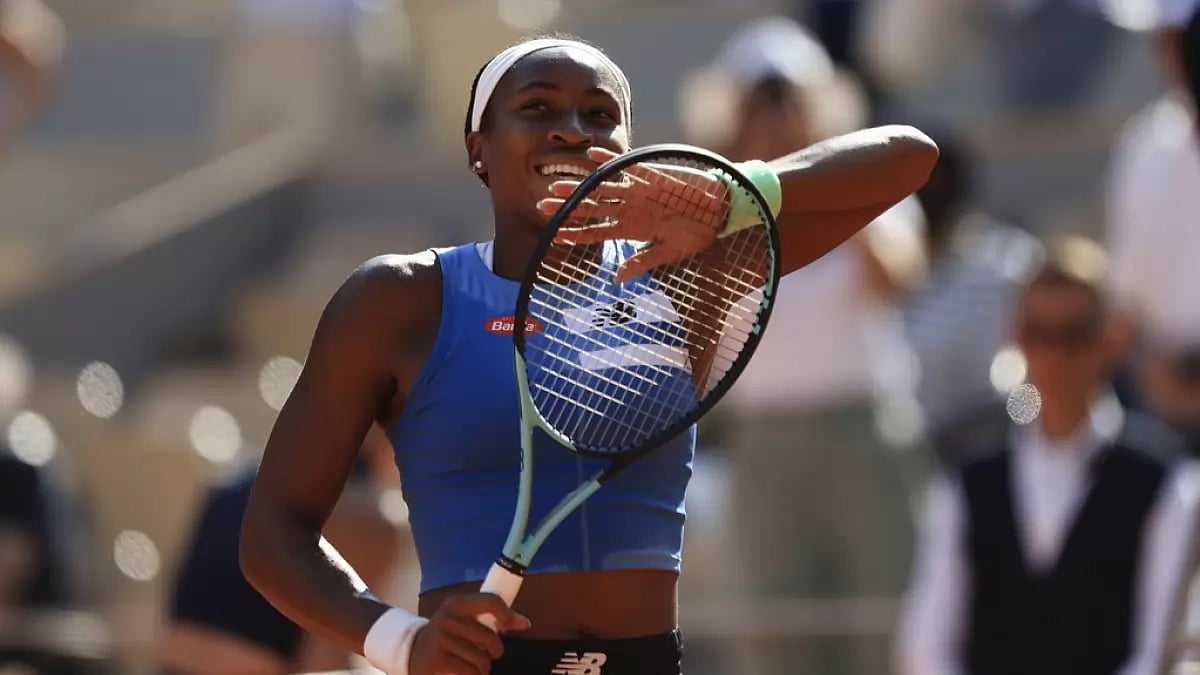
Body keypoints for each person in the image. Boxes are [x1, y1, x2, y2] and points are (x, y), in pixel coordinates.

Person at [240, 33, 937, 675]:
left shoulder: (684, 276)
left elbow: (909, 157)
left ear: (631, 144)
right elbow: (272, 531)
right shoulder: (398, 298)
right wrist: (398, 638)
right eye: (537, 106)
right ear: (477, 147)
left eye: (600, 115)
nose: (572, 130)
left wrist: (733, 195)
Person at [680, 18, 927, 675]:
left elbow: (898, 277)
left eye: (788, 101)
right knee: (776, 644)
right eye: (759, 104)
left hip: (867, 434)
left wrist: (828, 182)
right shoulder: (705, 222)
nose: (776, 117)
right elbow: (694, 342)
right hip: (763, 446)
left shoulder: (873, 193)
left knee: (886, 629)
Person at [896, 236, 1200, 675]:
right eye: (1039, 334)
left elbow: (1160, 653)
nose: (1055, 357)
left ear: (1114, 338)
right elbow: (925, 648)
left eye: (1074, 335)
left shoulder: (1169, 484)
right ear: (1016, 336)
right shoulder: (965, 486)